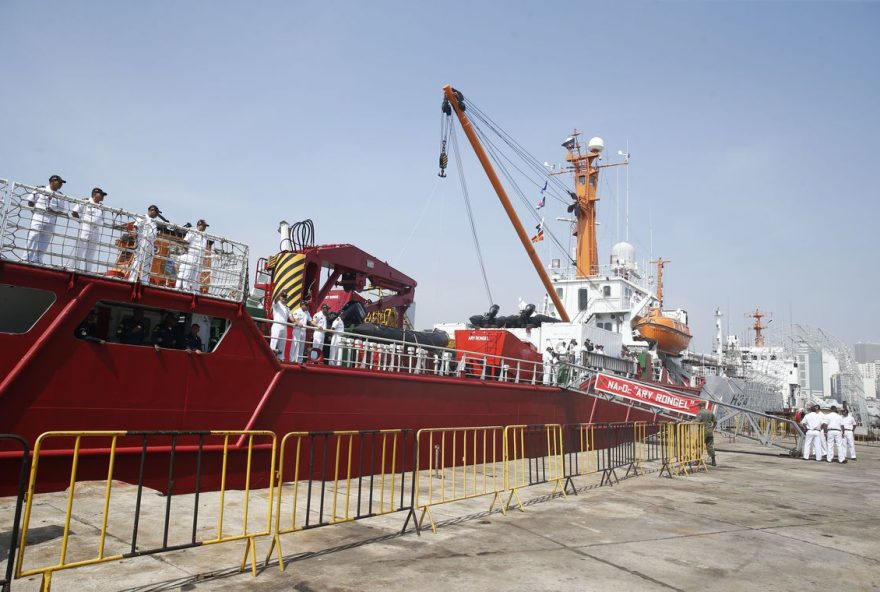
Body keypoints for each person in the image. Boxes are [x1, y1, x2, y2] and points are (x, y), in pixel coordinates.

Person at [26, 174, 67, 264]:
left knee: (45, 240)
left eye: (61, 183)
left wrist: (54, 211)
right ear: (52, 181)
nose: (61, 184)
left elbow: (61, 210)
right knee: (33, 236)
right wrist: (36, 210)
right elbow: (30, 202)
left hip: (52, 218)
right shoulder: (41, 189)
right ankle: (27, 258)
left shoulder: (60, 195)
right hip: (39, 216)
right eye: (59, 182)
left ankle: (38, 259)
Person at [70, 187, 108, 272]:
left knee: (91, 252)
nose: (102, 197)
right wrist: (81, 221)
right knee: (80, 249)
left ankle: (88, 270)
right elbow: (74, 212)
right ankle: (75, 268)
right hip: (86, 227)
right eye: (101, 195)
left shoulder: (102, 207)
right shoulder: (86, 202)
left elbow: (102, 220)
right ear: (95, 194)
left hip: (96, 230)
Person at [130, 205, 161, 283]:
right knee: (138, 260)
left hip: (151, 244)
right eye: (156, 212)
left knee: (148, 262)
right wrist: (135, 242)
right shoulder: (143, 217)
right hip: (142, 241)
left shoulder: (153, 221)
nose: (157, 215)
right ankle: (132, 279)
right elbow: (135, 228)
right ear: (152, 210)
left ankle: (144, 280)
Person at [177, 219, 209, 291]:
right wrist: (179, 242)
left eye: (205, 226)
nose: (204, 228)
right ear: (199, 225)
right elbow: (186, 240)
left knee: (197, 274)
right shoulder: (193, 232)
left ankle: (194, 289)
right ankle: (185, 287)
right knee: (188, 271)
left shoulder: (205, 235)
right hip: (192, 255)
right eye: (203, 226)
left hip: (200, 256)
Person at [290, 298, 313, 363]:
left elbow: (311, 320)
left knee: (301, 346)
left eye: (307, 305)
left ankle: (299, 360)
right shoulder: (297, 311)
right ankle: (292, 359)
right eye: (306, 305)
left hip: (303, 331)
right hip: (297, 329)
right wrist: (298, 323)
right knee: (295, 344)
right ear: (302, 305)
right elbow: (294, 319)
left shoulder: (307, 312)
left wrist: (317, 326)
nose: (307, 307)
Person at [695, 401, 717, 466]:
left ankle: (698, 461)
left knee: (699, 445)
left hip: (702, 431)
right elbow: (715, 421)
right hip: (710, 431)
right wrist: (712, 428)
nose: (698, 408)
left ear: (700, 406)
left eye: (698, 407)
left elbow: (697, 421)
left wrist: (692, 421)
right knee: (710, 446)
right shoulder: (710, 412)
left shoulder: (700, 413)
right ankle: (713, 461)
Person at [269, 292, 290, 360]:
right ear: (280, 297)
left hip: (284, 326)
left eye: (285, 296)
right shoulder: (277, 304)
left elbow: (290, 317)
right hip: (277, 325)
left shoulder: (287, 307)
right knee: (274, 341)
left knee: (282, 343)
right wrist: (280, 292)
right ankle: (271, 356)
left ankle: (280, 358)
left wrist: (296, 322)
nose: (284, 298)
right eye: (283, 296)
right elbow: (275, 299)